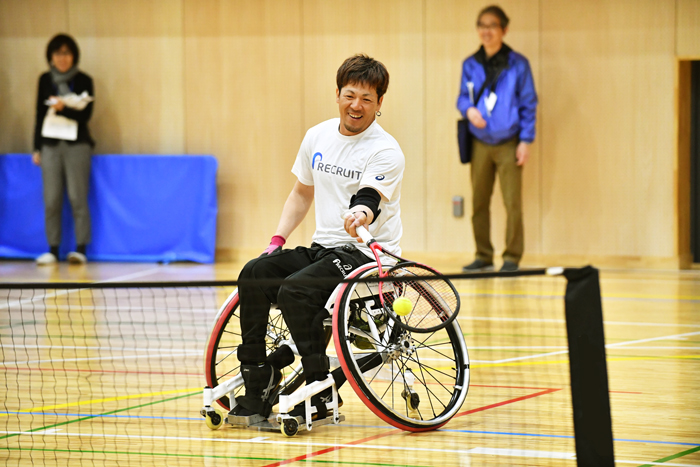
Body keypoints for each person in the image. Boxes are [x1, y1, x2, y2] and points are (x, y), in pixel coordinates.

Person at [232, 54, 404, 421]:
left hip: (368, 255)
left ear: (380, 103)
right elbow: (300, 194)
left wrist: (361, 213)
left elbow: (369, 197)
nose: (356, 106)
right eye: (350, 95)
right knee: (254, 272)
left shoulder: (386, 150)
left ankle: (320, 387)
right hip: (323, 248)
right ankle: (257, 375)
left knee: (296, 290)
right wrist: (277, 240)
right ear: (338, 93)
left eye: (367, 99)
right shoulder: (317, 136)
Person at [456, 5, 537, 272]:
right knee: (479, 201)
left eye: (492, 25)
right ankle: (483, 254)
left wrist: (525, 140)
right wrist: (468, 110)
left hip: (509, 142)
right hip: (479, 142)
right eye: (482, 25)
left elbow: (528, 103)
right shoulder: (470, 63)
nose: (486, 31)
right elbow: (462, 97)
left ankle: (512, 257)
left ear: (504, 29)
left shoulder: (518, 64)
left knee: (512, 202)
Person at [32, 34, 95, 265]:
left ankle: (80, 248)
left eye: (66, 53)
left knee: (78, 197)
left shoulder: (84, 80)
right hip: (50, 145)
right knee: (51, 199)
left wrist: (63, 108)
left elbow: (86, 114)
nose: (62, 58)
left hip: (77, 145)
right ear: (51, 57)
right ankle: (53, 249)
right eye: (58, 53)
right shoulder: (45, 80)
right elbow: (39, 115)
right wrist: (36, 147)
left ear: (74, 56)